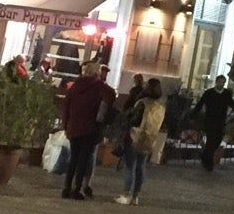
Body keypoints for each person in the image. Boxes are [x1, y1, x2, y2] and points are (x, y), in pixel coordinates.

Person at [60, 58, 115, 200]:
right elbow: (111, 95)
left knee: (73, 158)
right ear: (96, 73)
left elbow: (66, 106)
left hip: (73, 127)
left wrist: (65, 125)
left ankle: (66, 188)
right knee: (83, 160)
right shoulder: (99, 87)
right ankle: (77, 189)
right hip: (90, 129)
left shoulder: (75, 86)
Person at [116, 78, 165, 206]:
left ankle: (126, 194)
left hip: (135, 136)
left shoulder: (142, 103)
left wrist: (126, 118)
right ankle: (136, 196)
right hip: (149, 139)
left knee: (130, 166)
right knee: (140, 167)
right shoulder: (160, 106)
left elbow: (134, 119)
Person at [193, 74, 234, 172]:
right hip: (210, 120)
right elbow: (200, 104)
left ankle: (205, 156)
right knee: (211, 140)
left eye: (223, 82)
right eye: (219, 82)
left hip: (220, 121)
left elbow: (231, 103)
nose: (221, 84)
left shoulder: (226, 93)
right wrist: (194, 114)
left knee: (217, 140)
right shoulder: (209, 93)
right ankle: (209, 162)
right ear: (216, 82)